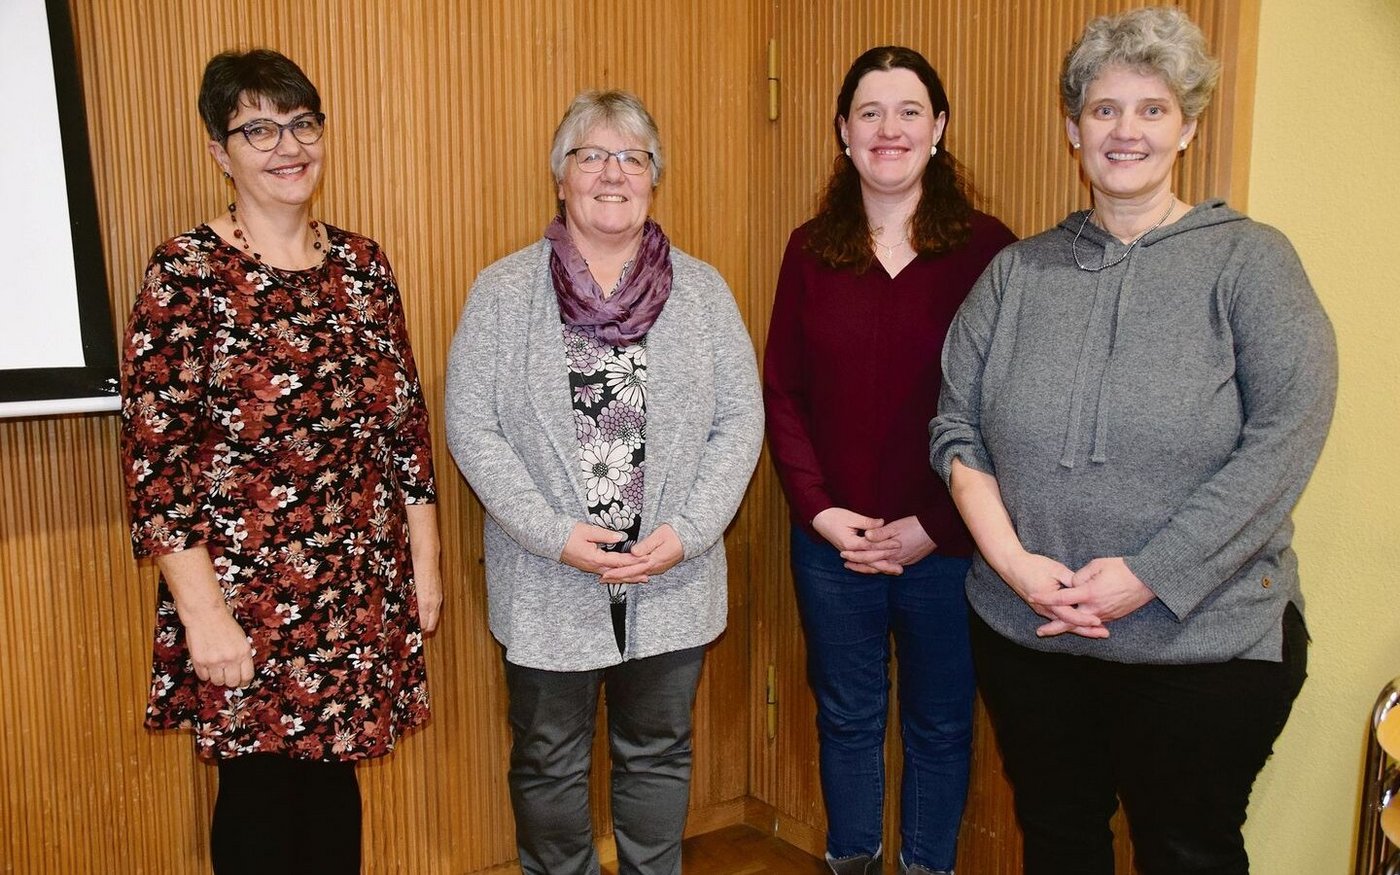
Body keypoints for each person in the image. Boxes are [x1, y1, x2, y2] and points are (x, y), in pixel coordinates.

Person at [930, 8, 1337, 874]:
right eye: (1104, 109)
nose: (1126, 130)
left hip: (1201, 643)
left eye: (1152, 109)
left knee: (1185, 850)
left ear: (1187, 127)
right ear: (1073, 131)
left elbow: (1283, 440)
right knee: (1060, 837)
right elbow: (955, 425)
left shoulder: (1250, 263)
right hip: (1029, 631)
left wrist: (1145, 575)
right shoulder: (1016, 274)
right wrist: (1014, 564)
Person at [119, 49, 441, 874]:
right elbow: (157, 465)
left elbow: (405, 428)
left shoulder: (365, 267)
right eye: (258, 129)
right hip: (245, 598)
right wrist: (201, 615)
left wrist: (423, 570)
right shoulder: (185, 272)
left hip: (355, 588)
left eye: (301, 123)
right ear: (220, 153)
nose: (286, 145)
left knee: (335, 794)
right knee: (261, 803)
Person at [445, 90, 763, 875]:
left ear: (655, 178)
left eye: (633, 157)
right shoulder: (503, 292)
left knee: (657, 752)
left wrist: (686, 533)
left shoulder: (704, 291)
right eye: (592, 155)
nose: (612, 173)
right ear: (560, 178)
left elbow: (740, 422)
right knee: (549, 757)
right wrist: (554, 535)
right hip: (551, 571)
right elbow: (471, 427)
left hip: (670, 571)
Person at [764, 46, 1016, 875]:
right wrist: (821, 513)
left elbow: (1006, 410)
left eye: (909, 110)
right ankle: (853, 859)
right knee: (847, 716)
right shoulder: (810, 250)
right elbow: (783, 394)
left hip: (949, 544)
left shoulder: (989, 252)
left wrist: (935, 523)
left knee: (942, 724)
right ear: (842, 133)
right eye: (869, 112)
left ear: (939, 129)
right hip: (834, 543)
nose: (889, 129)